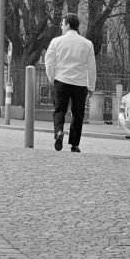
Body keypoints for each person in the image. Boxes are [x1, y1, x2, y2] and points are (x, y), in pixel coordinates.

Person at [44, 12, 96, 153]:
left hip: (61, 80)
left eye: (62, 23)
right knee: (78, 114)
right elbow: (91, 67)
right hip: (80, 83)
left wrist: (52, 77)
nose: (61, 26)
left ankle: (59, 132)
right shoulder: (87, 44)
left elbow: (49, 62)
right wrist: (91, 86)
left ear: (67, 24)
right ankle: (74, 143)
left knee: (59, 110)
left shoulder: (56, 42)